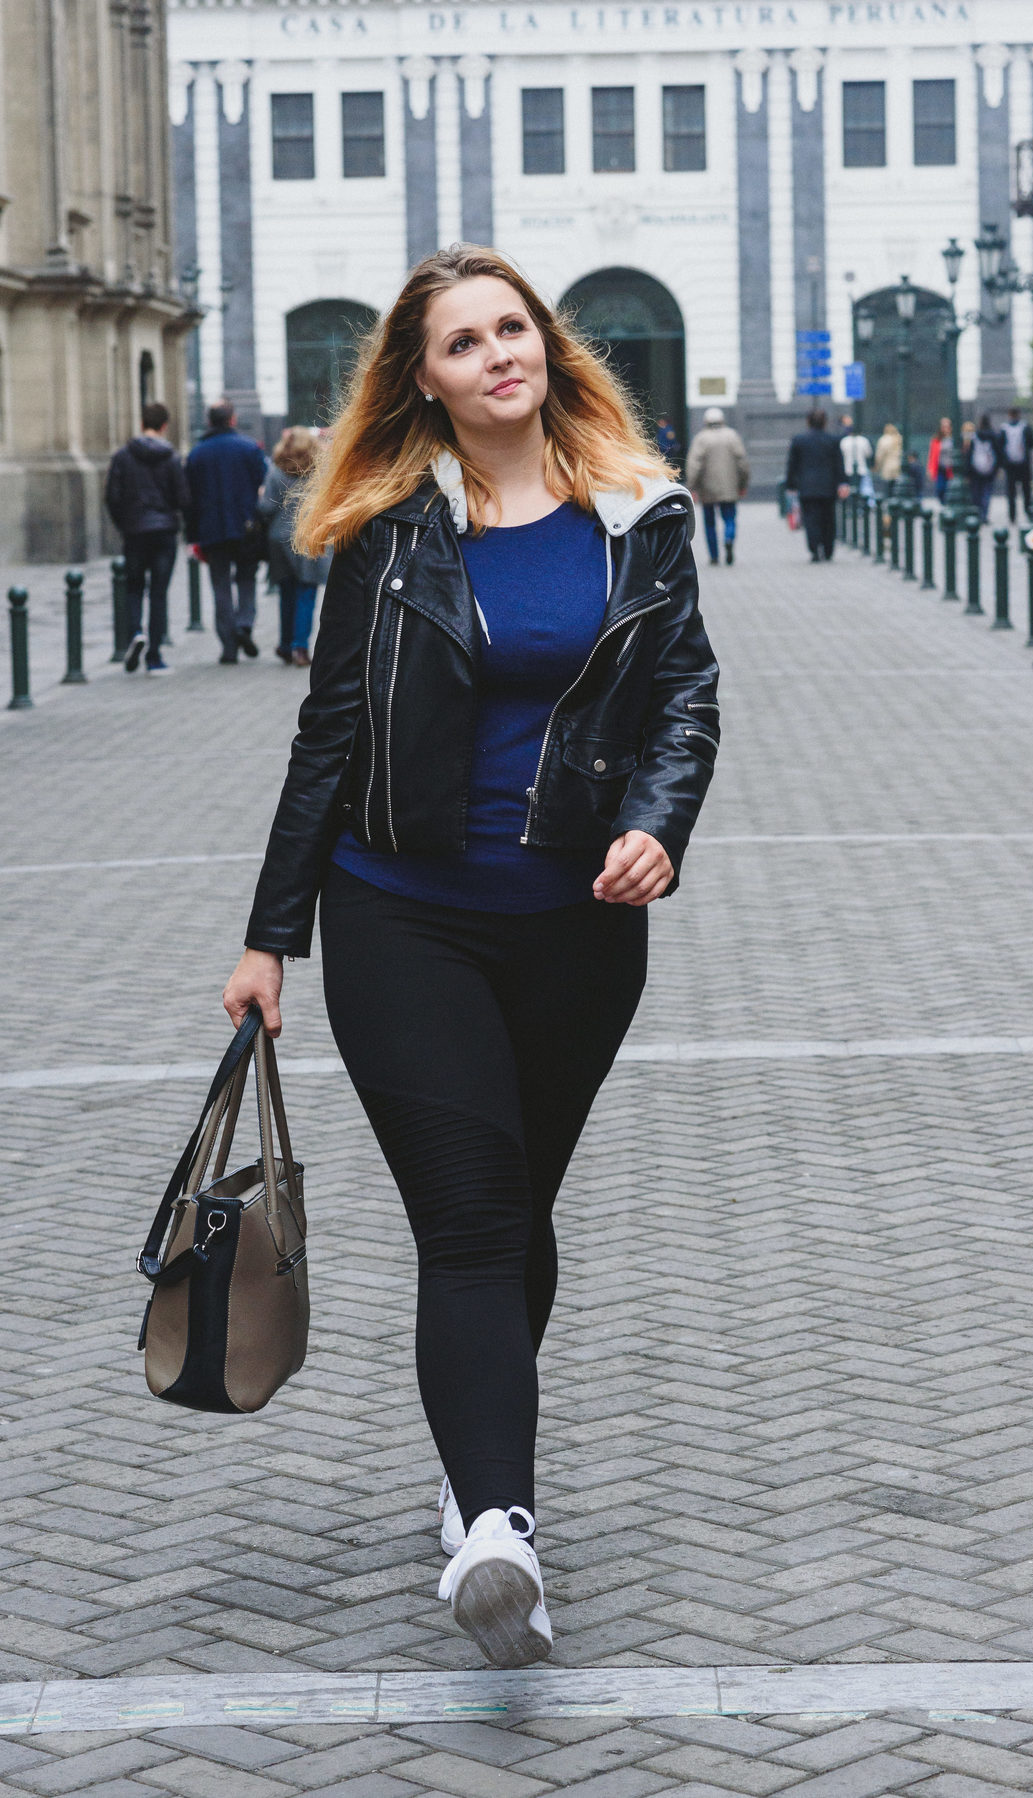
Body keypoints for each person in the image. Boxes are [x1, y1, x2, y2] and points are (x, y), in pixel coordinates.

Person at [221, 245, 719, 1670]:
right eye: (464, 341)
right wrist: (272, 934)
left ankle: (468, 1463)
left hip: (577, 924)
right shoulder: (389, 525)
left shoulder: (640, 511)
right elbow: (330, 736)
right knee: (472, 1217)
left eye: (515, 328)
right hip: (401, 911)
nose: (499, 353)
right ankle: (501, 1526)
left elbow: (686, 691)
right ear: (423, 376)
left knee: (520, 1205)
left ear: (549, 348)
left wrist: (655, 824)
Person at [104, 402, 190, 676]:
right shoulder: (171, 457)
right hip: (164, 532)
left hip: (135, 532)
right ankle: (154, 657)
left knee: (133, 588)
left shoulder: (122, 457)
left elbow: (112, 497)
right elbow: (183, 498)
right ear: (164, 426)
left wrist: (125, 524)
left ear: (142, 424)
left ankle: (135, 634)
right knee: (158, 593)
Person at [186, 401, 269, 663]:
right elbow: (263, 484)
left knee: (220, 585)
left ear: (210, 422)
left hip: (211, 529)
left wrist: (192, 535)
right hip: (247, 527)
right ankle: (244, 624)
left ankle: (229, 645)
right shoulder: (249, 448)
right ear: (232, 420)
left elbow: (190, 498)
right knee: (247, 580)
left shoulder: (197, 454)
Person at [257, 427, 331, 666]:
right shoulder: (321, 472)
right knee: (306, 593)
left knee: (286, 593)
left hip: (279, 538)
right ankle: (300, 647)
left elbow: (265, 508)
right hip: (309, 537)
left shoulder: (276, 471)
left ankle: (285, 645)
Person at [685, 406, 750, 566]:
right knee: (730, 518)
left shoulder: (701, 438)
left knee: (709, 523)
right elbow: (742, 464)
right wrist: (742, 484)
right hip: (730, 487)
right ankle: (728, 539)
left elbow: (694, 465)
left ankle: (714, 556)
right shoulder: (732, 436)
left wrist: (691, 487)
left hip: (708, 490)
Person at [785, 408, 850, 563]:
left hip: (807, 487)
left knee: (811, 519)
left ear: (808, 422)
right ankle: (828, 550)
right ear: (825, 422)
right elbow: (839, 464)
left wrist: (790, 484)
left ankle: (814, 549)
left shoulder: (799, 440)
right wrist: (843, 483)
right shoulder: (832, 440)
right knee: (829, 518)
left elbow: (792, 465)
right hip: (828, 487)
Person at [1000, 405, 1033, 524]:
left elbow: (1000, 446)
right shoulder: (1025, 427)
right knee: (1026, 491)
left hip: (1010, 466)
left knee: (1011, 492)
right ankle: (1028, 512)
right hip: (1024, 465)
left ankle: (1012, 516)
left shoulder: (1004, 429)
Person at [968, 413, 1000, 519]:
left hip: (976, 469)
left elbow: (970, 454)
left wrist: (968, 470)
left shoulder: (975, 436)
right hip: (990, 468)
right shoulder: (993, 436)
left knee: (976, 492)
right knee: (987, 492)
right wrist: (997, 468)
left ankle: (978, 513)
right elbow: (998, 453)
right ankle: (984, 514)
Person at [840, 419, 873, 492]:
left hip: (847, 469)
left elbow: (841, 455)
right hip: (861, 469)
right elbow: (869, 454)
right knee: (863, 490)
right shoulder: (864, 440)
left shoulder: (844, 441)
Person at [873, 422, 902, 500]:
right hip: (898, 466)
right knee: (896, 488)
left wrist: (876, 466)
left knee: (888, 488)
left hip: (887, 466)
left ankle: (890, 505)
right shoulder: (899, 438)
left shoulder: (884, 439)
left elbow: (879, 455)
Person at [927, 417, 954, 502]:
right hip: (940, 469)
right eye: (943, 426)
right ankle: (944, 504)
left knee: (951, 490)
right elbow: (932, 456)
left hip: (952, 469)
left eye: (947, 426)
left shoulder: (954, 439)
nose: (945, 429)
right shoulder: (936, 440)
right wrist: (930, 469)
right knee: (940, 489)